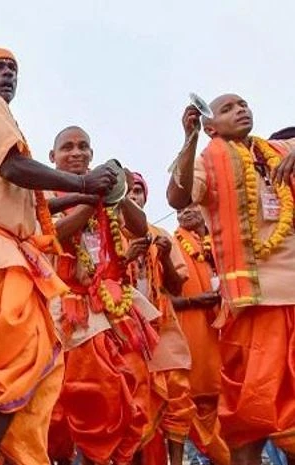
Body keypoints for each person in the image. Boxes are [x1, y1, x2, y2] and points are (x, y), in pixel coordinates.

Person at [0, 48, 117, 465]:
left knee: (18, 360)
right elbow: (14, 170)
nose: (7, 75)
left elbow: (27, 201)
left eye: (13, 70)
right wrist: (82, 179)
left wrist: (81, 193)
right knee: (22, 353)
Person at [167, 93, 295, 464]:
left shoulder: (279, 147)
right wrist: (189, 140)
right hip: (253, 304)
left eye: (243, 104)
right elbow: (177, 197)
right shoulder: (209, 160)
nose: (241, 110)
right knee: (248, 414)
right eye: (228, 108)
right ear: (210, 127)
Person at [45, 125, 157, 465]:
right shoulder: (47, 194)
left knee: (130, 390)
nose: (77, 153)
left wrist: (118, 193)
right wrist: (89, 198)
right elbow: (54, 234)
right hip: (70, 310)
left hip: (115, 310)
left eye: (83, 147)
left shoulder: (108, 195)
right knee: (82, 400)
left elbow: (140, 227)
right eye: (67, 147)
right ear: (53, 158)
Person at [126, 173, 194, 465]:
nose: (133, 196)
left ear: (145, 197)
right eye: (127, 191)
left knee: (177, 399)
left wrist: (164, 258)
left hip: (164, 331)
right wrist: (126, 257)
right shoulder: (107, 231)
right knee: (135, 408)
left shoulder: (160, 235)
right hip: (127, 333)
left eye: (138, 191)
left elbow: (177, 287)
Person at [171, 205, 230, 465]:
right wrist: (195, 301)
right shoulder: (171, 245)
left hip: (229, 341)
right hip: (196, 344)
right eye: (182, 205)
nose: (186, 211)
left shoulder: (222, 243)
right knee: (198, 410)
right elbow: (163, 297)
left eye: (193, 203)